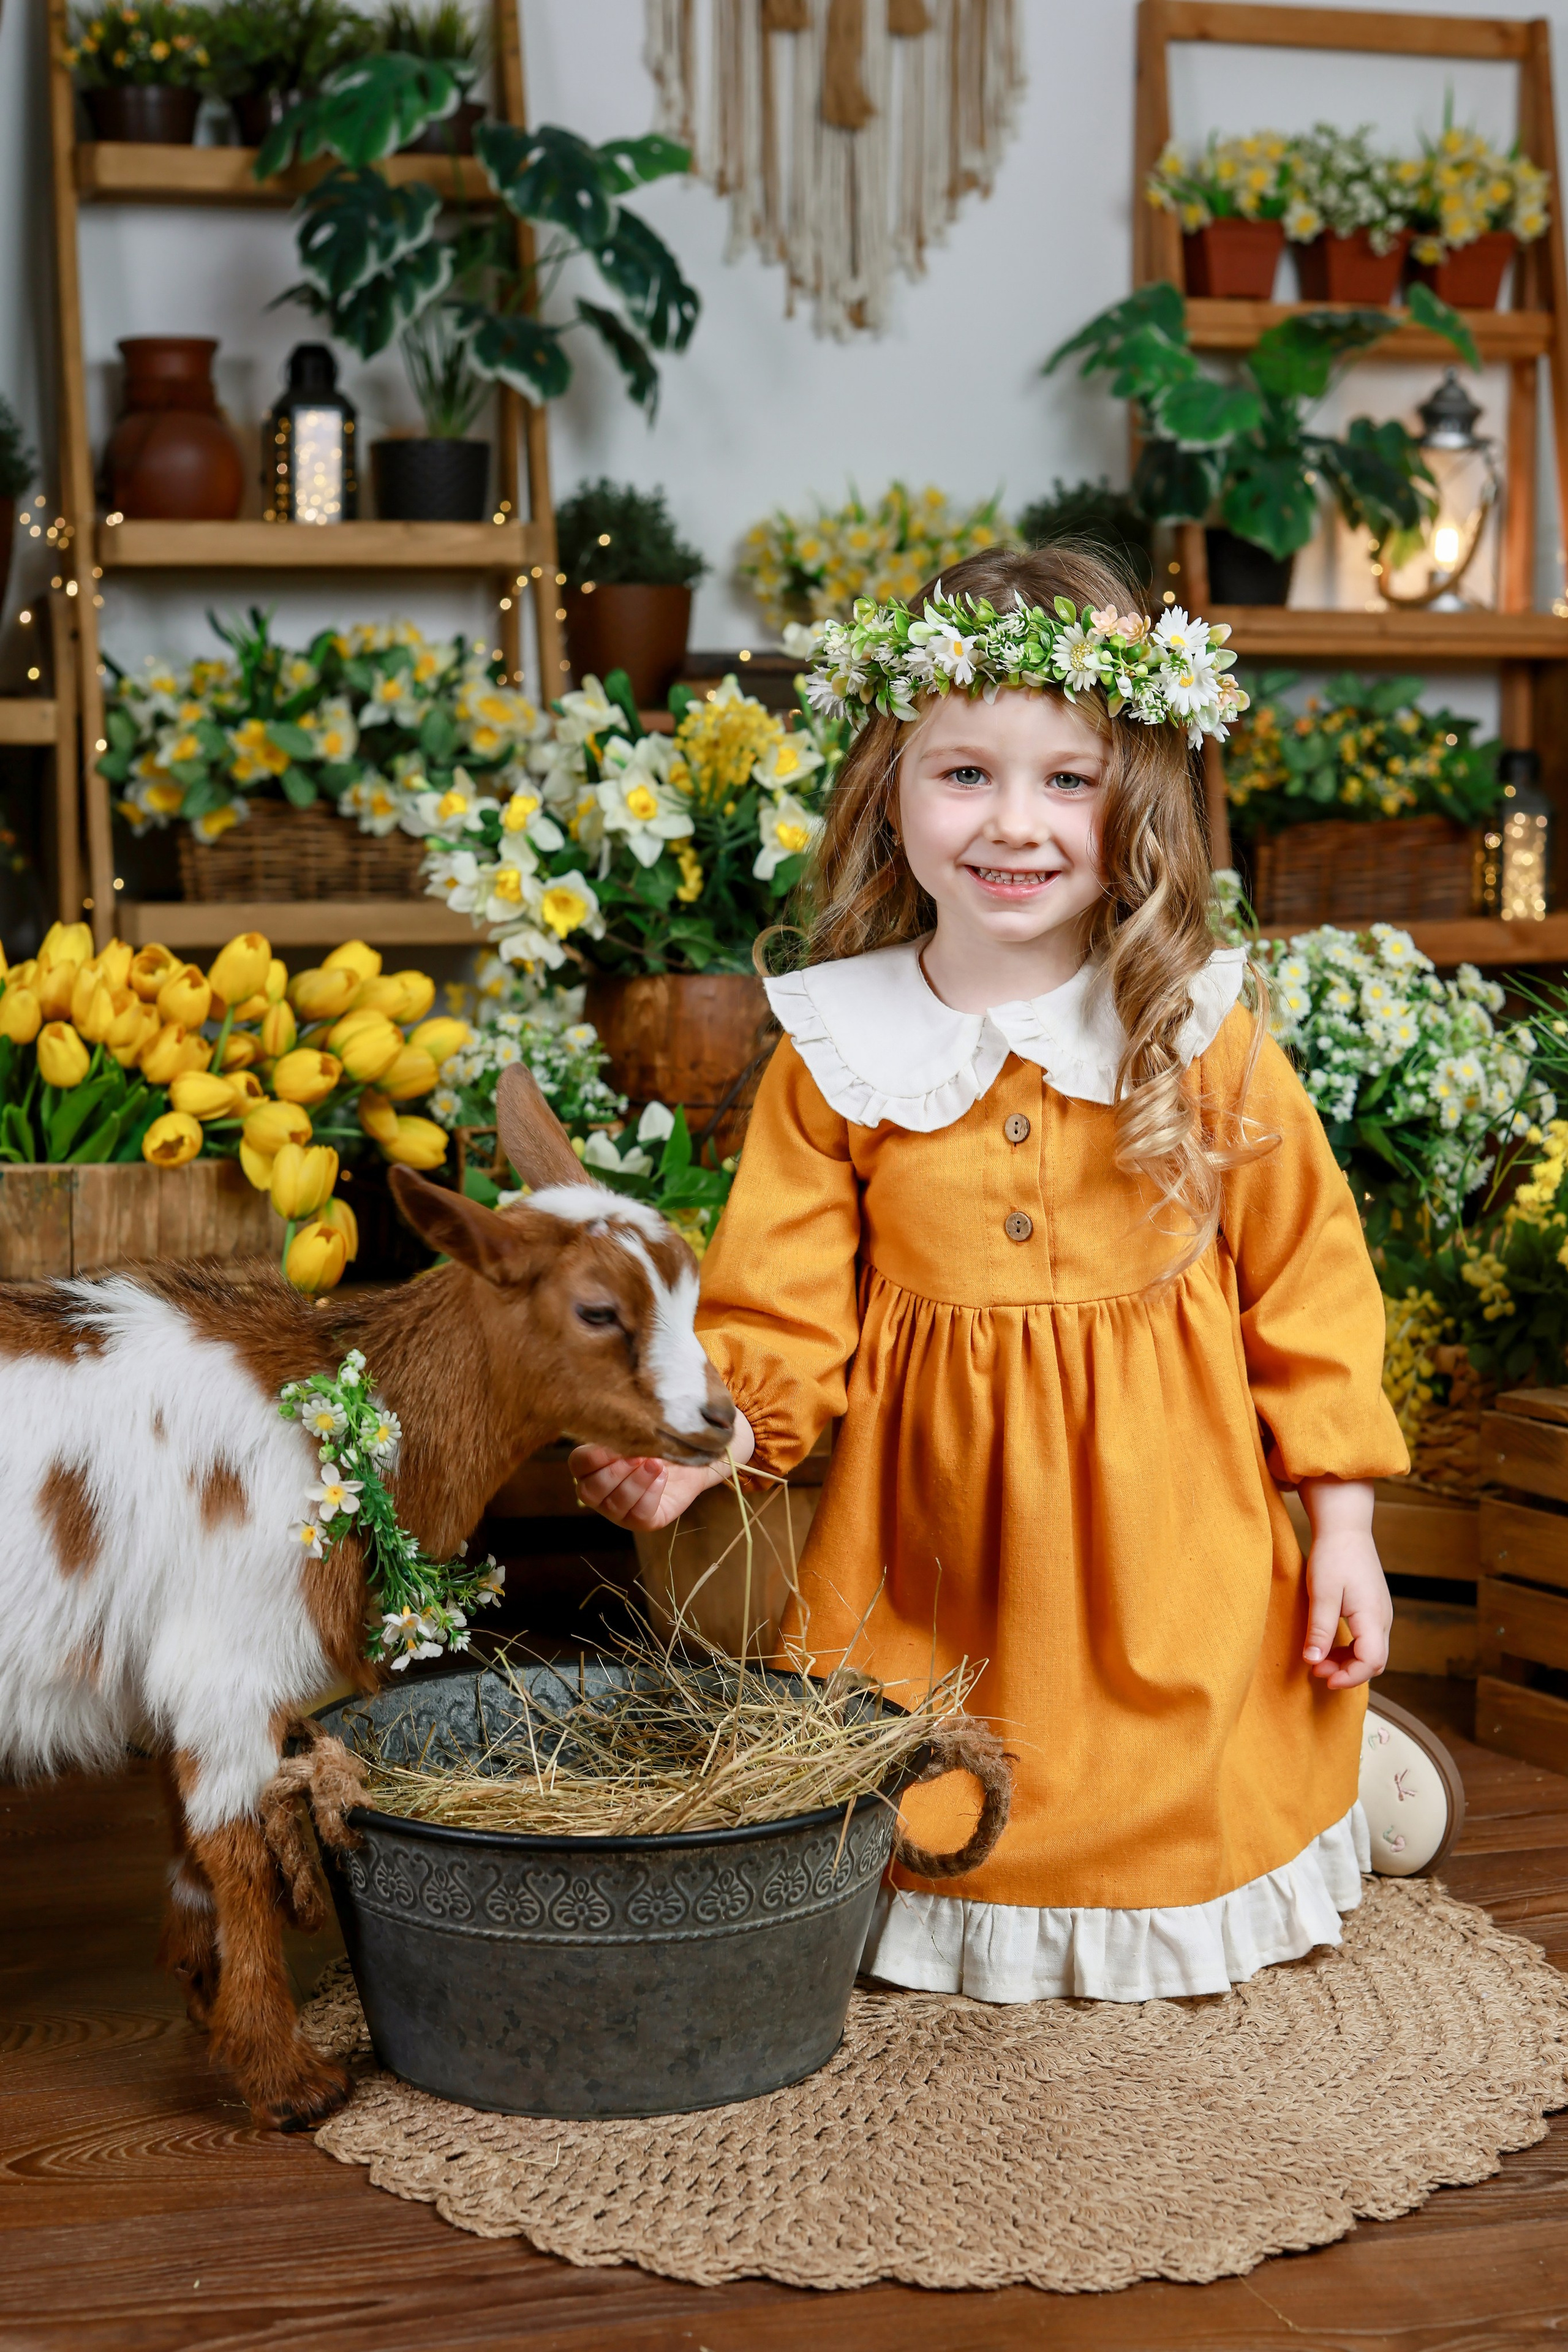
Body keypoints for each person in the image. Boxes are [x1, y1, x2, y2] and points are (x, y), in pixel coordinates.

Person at [572, 543, 1417, 2003]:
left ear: (1133, 802)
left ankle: (1326, 1763)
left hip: (1176, 1554)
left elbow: (1308, 1288)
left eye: (1065, 783)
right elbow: (777, 1308)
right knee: (928, 1776)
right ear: (888, 795)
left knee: (1204, 1748)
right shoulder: (836, 1049)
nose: (1012, 825)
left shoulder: (1193, 1027)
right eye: (963, 775)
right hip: (938, 1558)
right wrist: (709, 1451)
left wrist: (1339, 1526)